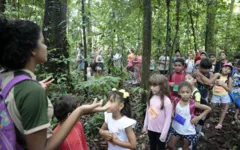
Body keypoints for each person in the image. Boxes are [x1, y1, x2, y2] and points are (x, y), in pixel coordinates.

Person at [0, 18, 110, 150]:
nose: (46, 47)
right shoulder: (31, 90)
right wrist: (79, 112)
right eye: (42, 42)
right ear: (32, 50)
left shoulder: (6, 79)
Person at [168, 81, 211, 150]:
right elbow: (171, 105)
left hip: (187, 128)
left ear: (191, 93)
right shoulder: (176, 100)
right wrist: (171, 112)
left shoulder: (193, 103)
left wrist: (198, 117)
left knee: (185, 147)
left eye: (187, 92)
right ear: (179, 92)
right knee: (170, 145)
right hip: (176, 126)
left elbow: (208, 108)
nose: (185, 94)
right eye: (183, 92)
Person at [143, 74, 172, 150]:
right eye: (151, 85)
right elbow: (148, 113)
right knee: (152, 146)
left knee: (160, 147)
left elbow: (168, 119)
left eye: (155, 85)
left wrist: (164, 133)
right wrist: (145, 125)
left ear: (162, 86)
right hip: (151, 129)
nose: (152, 88)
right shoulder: (151, 98)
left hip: (161, 131)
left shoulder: (167, 101)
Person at [211, 63, 233, 129]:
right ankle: (208, 119)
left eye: (229, 69)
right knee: (211, 108)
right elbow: (210, 82)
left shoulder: (229, 78)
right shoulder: (217, 75)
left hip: (224, 96)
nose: (226, 70)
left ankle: (220, 123)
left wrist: (222, 84)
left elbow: (230, 90)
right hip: (215, 95)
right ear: (222, 68)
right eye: (225, 67)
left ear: (230, 72)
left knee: (223, 110)